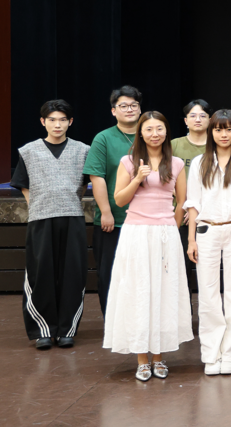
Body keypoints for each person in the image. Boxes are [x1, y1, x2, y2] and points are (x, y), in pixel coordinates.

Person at [103, 111, 192, 382]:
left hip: (165, 233)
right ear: (140, 133)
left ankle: (159, 357)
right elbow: (119, 200)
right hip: (136, 233)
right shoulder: (128, 161)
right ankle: (142, 359)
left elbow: (182, 202)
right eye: (149, 129)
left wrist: (172, 228)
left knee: (164, 292)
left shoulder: (176, 163)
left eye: (160, 129)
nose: (155, 134)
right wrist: (137, 178)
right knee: (139, 291)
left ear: (166, 132)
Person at [185, 109, 231, 376]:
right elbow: (193, 202)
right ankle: (211, 354)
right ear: (211, 132)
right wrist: (191, 239)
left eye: (229, 129)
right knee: (207, 294)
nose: (224, 134)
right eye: (218, 129)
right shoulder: (199, 163)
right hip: (206, 230)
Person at [11, 100, 91, 350]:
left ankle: (67, 329)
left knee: (72, 274)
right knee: (40, 274)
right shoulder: (29, 151)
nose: (58, 124)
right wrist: (39, 205)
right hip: (40, 219)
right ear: (43, 122)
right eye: (52, 120)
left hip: (72, 217)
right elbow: (23, 185)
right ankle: (43, 330)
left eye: (63, 120)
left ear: (70, 122)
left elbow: (89, 183)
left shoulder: (83, 150)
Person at [83, 85, 142, 318]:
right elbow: (96, 177)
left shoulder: (151, 134)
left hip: (147, 219)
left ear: (140, 109)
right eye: (123, 106)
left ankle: (140, 322)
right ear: (113, 111)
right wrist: (105, 212)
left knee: (142, 275)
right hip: (113, 221)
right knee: (110, 274)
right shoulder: (104, 138)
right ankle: (113, 323)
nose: (129, 109)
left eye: (134, 105)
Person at [170, 99, 211, 297]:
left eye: (203, 115)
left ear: (210, 120)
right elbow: (163, 177)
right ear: (185, 120)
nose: (198, 119)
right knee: (179, 271)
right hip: (177, 215)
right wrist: (186, 206)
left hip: (208, 215)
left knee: (208, 272)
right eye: (193, 116)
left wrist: (197, 209)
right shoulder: (174, 145)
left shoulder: (216, 145)